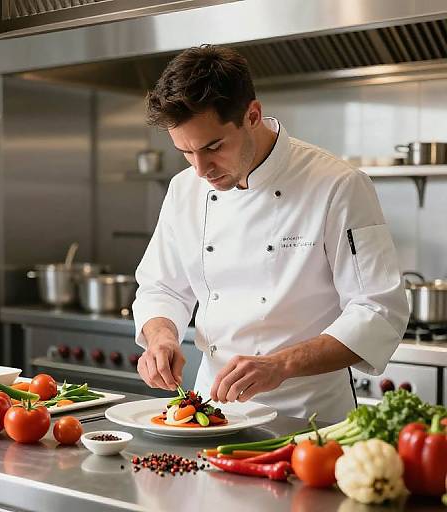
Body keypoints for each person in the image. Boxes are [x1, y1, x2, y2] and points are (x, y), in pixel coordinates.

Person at [132, 44, 409, 422]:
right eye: (185, 152)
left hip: (310, 422)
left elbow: (378, 310)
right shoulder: (185, 189)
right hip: (210, 415)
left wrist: (280, 365)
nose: (200, 169)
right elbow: (160, 288)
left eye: (213, 147)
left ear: (253, 115)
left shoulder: (338, 185)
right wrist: (161, 336)